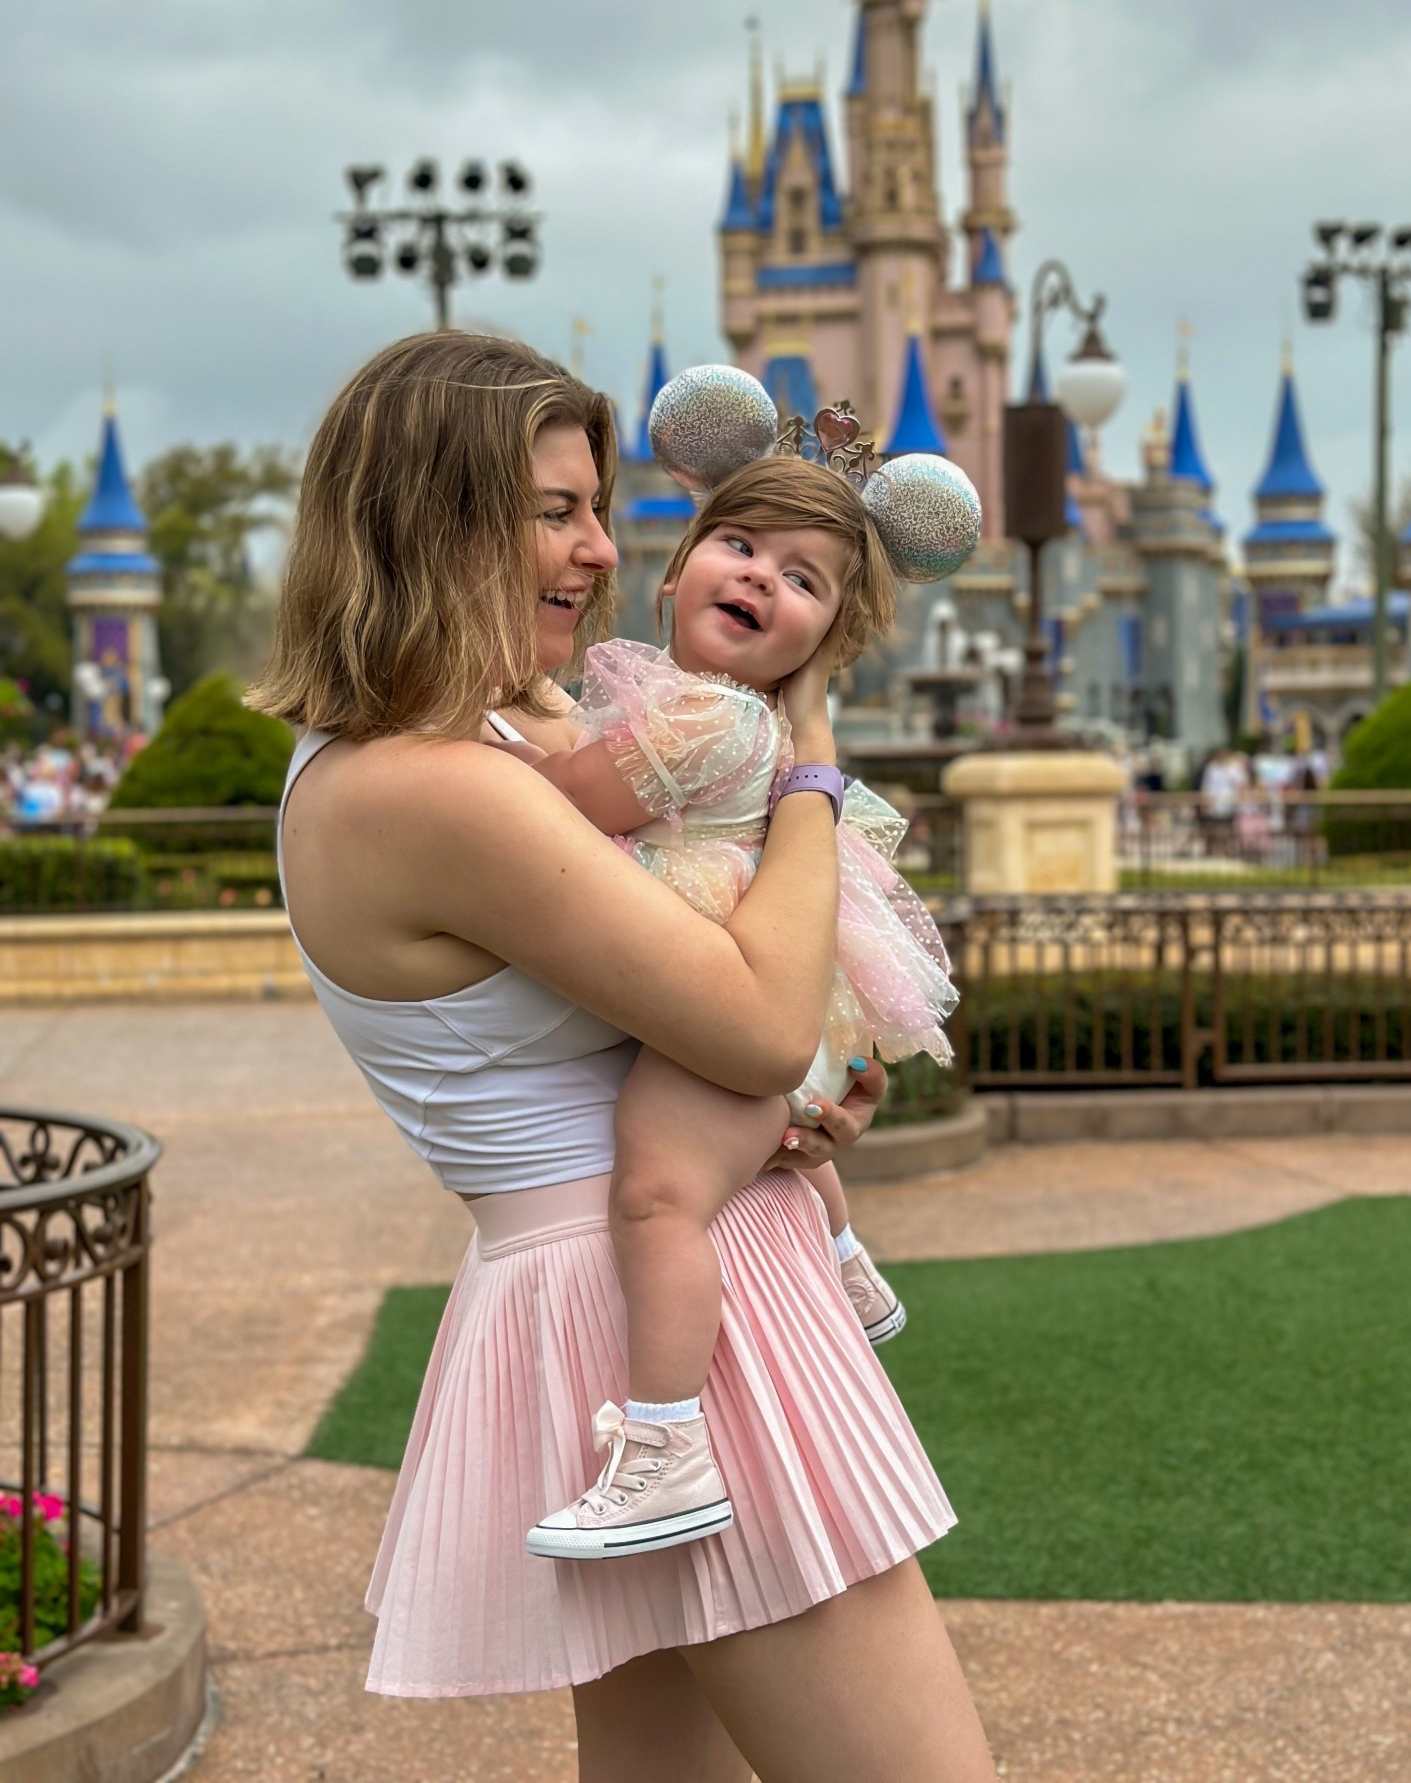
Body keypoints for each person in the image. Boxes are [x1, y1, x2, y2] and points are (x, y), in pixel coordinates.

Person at [250, 332, 996, 1783]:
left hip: (635, 1279)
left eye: (597, 508)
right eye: (553, 510)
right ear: (424, 512)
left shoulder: (461, 744)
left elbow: (735, 1028)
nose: (598, 548)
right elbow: (762, 1017)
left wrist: (787, 1102)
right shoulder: (430, 790)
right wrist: (812, 761)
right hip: (670, 1320)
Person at [506, 438, 966, 1561]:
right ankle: (847, 1267)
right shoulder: (716, 710)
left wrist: (490, 745)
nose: (761, 575)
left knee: (658, 1192)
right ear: (676, 571)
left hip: (738, 999)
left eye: (803, 578)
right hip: (781, 999)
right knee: (746, 1147)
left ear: (827, 642)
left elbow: (567, 802)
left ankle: (667, 1446)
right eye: (741, 544)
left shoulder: (710, 718)